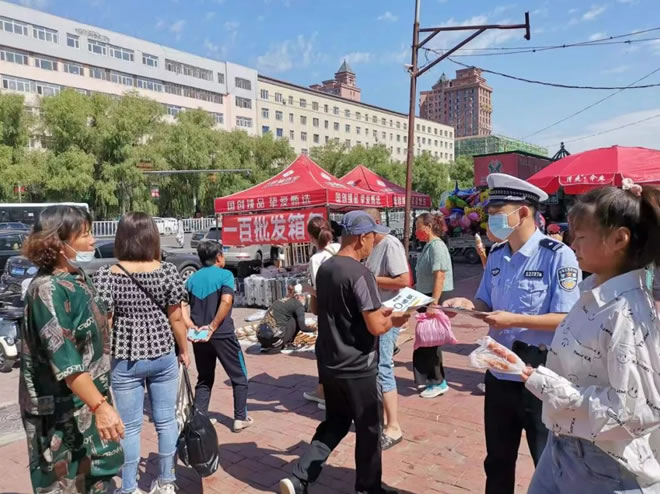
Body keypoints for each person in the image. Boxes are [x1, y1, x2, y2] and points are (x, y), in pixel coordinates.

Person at [443, 173, 581, 494]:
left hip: (540, 375)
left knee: (547, 463)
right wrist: (466, 305)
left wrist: (514, 319)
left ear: (522, 213)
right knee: (497, 461)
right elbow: (484, 302)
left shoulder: (557, 255)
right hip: (498, 371)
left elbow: (566, 318)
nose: (491, 219)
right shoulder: (496, 255)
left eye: (497, 212)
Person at [522, 183, 660, 493]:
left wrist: (548, 386)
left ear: (619, 239)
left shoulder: (626, 312)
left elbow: (635, 411)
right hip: (565, 445)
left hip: (605, 465)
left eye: (581, 237)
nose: (573, 245)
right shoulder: (595, 295)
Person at [279, 211, 409, 494]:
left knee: (336, 422)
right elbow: (376, 326)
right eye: (373, 238)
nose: (373, 243)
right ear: (362, 238)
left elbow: (323, 309)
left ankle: (299, 478)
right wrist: (396, 320)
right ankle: (368, 487)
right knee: (369, 427)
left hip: (329, 361)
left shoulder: (326, 268)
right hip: (357, 365)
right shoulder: (360, 273)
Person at [20, 205, 124, 494]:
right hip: (60, 412)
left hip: (88, 401)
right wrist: (101, 407)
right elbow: (67, 362)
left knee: (98, 478)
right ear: (58, 242)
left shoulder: (77, 277)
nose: (93, 240)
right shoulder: (47, 290)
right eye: (85, 234)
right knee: (67, 483)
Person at [94, 212, 191, 494]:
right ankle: (167, 480)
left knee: (129, 427)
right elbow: (176, 318)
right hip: (162, 354)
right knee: (166, 420)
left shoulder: (106, 275)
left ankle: (129, 487)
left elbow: (105, 322)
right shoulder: (167, 271)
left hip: (125, 358)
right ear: (152, 237)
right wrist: (184, 350)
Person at [182, 240, 252, 433]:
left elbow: (182, 305)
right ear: (219, 257)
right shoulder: (225, 275)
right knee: (239, 376)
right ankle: (240, 418)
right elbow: (226, 301)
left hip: (199, 336)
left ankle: (200, 418)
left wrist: (190, 325)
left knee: (204, 378)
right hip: (222, 333)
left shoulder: (192, 279)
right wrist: (213, 326)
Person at [364, 208, 409, 450]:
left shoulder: (390, 244)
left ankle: (394, 426)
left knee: (384, 367)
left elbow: (403, 280)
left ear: (375, 223)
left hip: (389, 314)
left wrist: (369, 278)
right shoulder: (370, 245)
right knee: (374, 367)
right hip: (375, 314)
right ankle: (379, 418)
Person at [413, 212, 454, 398]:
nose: (416, 231)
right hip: (426, 297)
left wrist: (434, 303)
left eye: (418, 227)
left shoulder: (437, 246)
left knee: (431, 341)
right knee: (425, 341)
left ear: (428, 227)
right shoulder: (428, 246)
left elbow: (440, 276)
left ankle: (437, 381)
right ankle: (428, 379)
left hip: (433, 297)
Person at [302, 216, 340, 411]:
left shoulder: (316, 259)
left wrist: (308, 290)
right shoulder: (340, 248)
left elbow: (320, 290)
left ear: (311, 237)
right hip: (347, 308)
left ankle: (330, 396)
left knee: (325, 352)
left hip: (329, 311)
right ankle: (322, 390)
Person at [257, 283, 312, 352]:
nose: (305, 300)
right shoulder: (298, 305)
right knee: (295, 318)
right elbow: (302, 327)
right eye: (304, 297)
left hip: (261, 339)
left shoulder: (279, 301)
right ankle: (288, 344)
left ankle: (266, 345)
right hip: (276, 340)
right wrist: (314, 329)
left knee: (283, 319)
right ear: (299, 296)